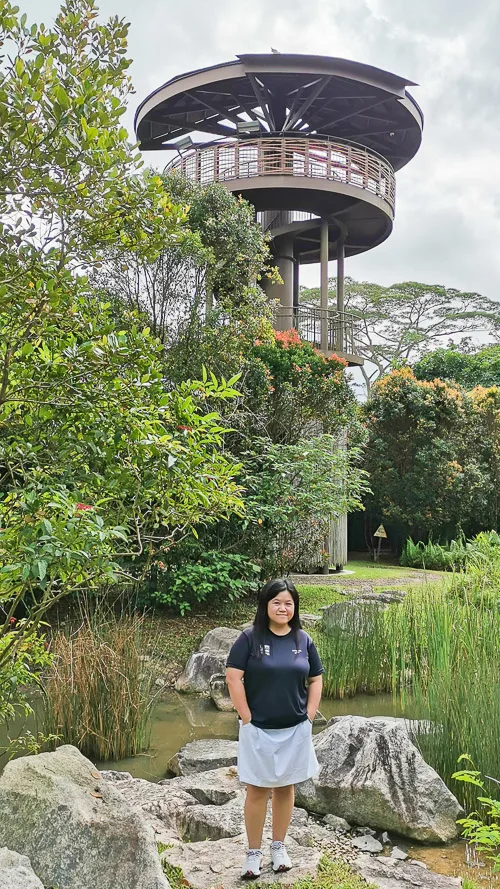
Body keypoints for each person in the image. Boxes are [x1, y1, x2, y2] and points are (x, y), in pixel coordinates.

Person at [226, 577, 324, 879]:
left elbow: (316, 678)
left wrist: (308, 716)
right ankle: (253, 853)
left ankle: (279, 847)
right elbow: (233, 677)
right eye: (277, 602)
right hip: (259, 729)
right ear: (265, 605)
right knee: (257, 789)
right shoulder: (249, 639)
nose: (283, 608)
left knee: (285, 788)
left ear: (295, 607)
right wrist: (246, 717)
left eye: (288, 603)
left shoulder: (303, 640)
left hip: (294, 728)